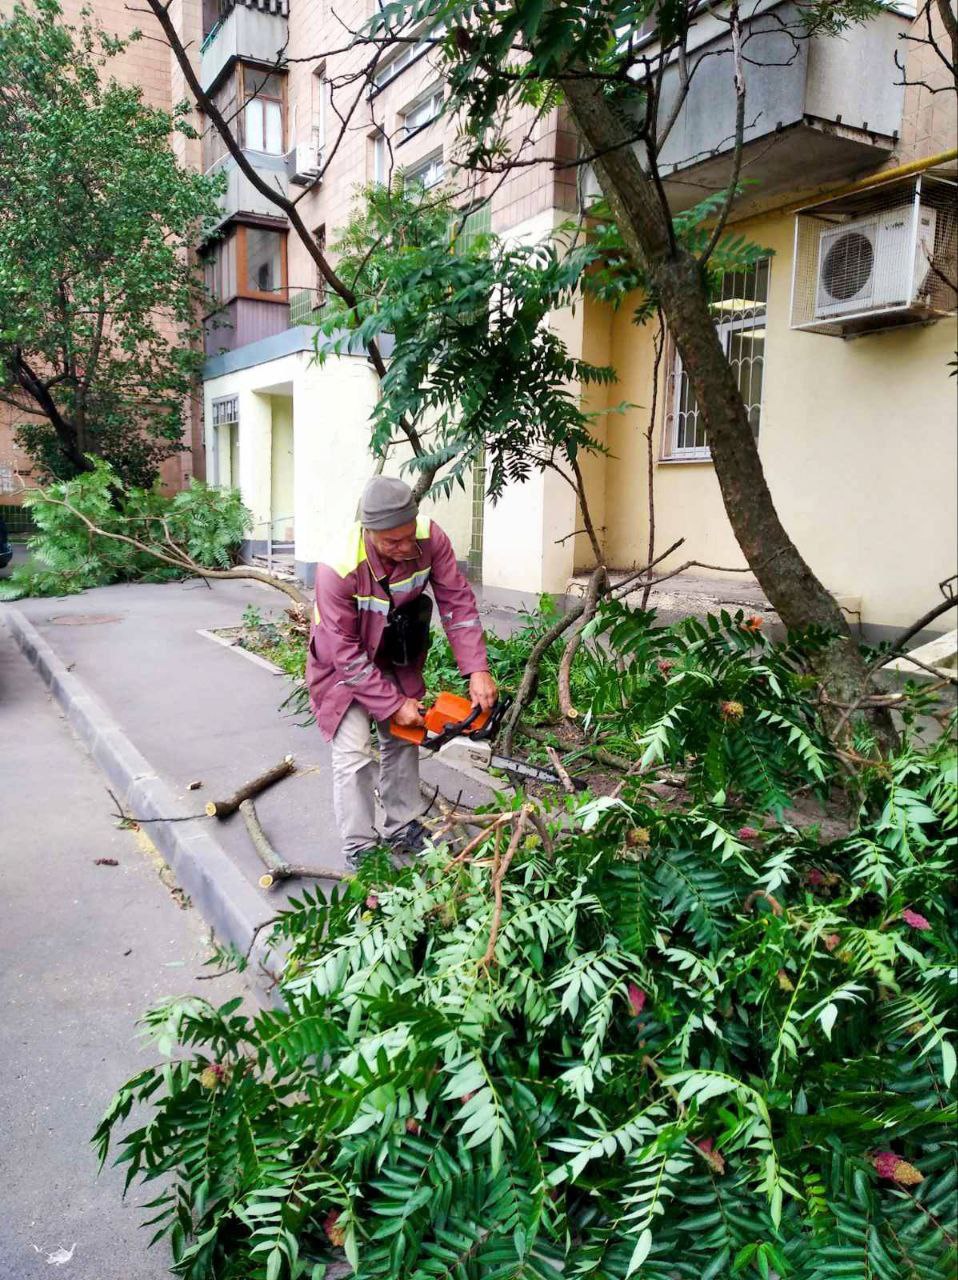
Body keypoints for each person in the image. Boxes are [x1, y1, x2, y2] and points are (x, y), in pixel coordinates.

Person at [306, 476, 497, 867]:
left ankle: (402, 825)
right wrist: (392, 704)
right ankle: (359, 846)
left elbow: (457, 603)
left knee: (403, 739)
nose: (407, 548)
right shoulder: (338, 567)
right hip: (344, 666)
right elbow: (346, 654)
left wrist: (476, 669)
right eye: (393, 542)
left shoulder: (429, 538)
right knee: (354, 752)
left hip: (396, 653)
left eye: (409, 536)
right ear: (369, 532)